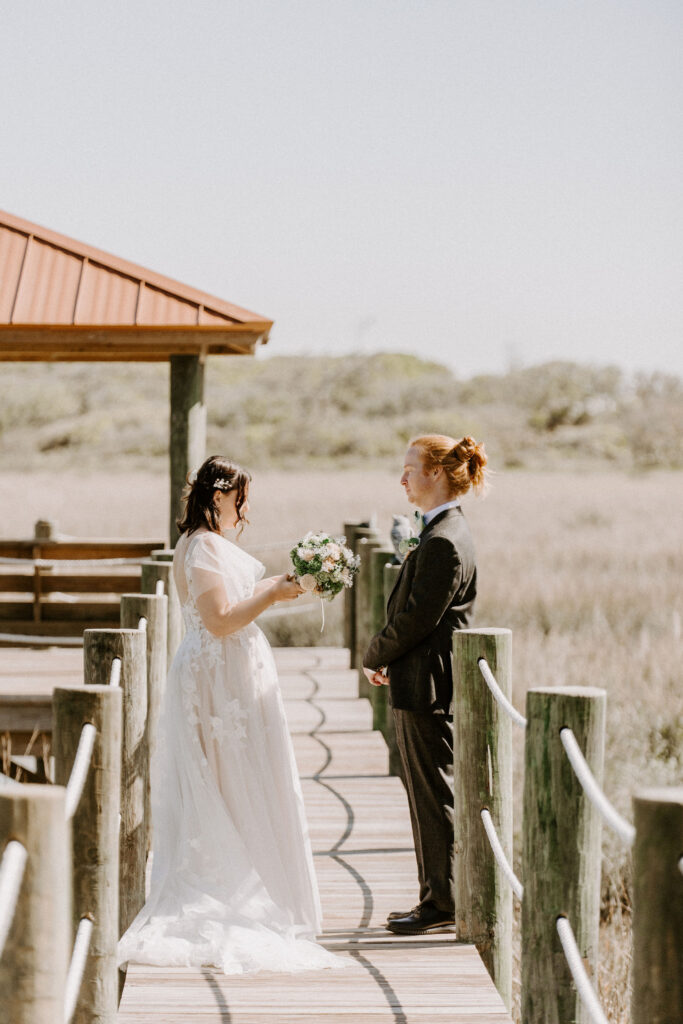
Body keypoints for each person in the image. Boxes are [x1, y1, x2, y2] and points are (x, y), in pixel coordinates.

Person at [118, 455, 342, 974]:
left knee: (242, 781)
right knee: (226, 780)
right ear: (219, 497)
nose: (244, 513)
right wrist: (272, 591)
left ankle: (257, 879)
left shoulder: (205, 544)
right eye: (240, 501)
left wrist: (280, 590)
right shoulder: (201, 546)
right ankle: (232, 888)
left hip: (226, 676)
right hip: (216, 680)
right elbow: (219, 621)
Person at [362, 434, 488, 936]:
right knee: (424, 792)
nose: (403, 478)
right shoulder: (441, 531)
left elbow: (418, 620)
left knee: (434, 794)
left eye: (410, 468)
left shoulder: (443, 541)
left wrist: (375, 653)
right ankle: (435, 895)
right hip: (419, 678)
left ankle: (443, 902)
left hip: (429, 687)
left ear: (436, 473)